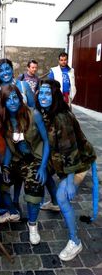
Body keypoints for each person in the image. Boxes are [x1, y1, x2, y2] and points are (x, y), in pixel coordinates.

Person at [36, 79, 97, 261]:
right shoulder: (46, 112)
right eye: (41, 93)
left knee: (64, 196)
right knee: (42, 174)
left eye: (48, 93)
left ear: (54, 95)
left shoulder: (61, 117)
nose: (44, 96)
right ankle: (54, 202)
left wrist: (70, 183)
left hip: (78, 162)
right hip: (59, 160)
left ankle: (75, 241)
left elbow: (70, 152)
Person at [0, 85, 49, 245]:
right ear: (3, 103)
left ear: (20, 98)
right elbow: (9, 148)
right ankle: (13, 212)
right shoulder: (4, 121)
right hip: (17, 159)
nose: (12, 101)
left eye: (15, 97)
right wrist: (5, 167)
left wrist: (42, 167)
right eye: (8, 99)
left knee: (35, 185)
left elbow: (46, 142)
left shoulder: (34, 115)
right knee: (1, 182)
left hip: (36, 159)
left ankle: (32, 224)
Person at [0, 59, 35, 212]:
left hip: (23, 132)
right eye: (1, 70)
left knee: (19, 165)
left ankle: (16, 199)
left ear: (12, 69)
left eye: (7, 68)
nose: (5, 72)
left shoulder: (23, 86)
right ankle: (5, 198)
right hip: (3, 133)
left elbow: (32, 107)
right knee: (5, 164)